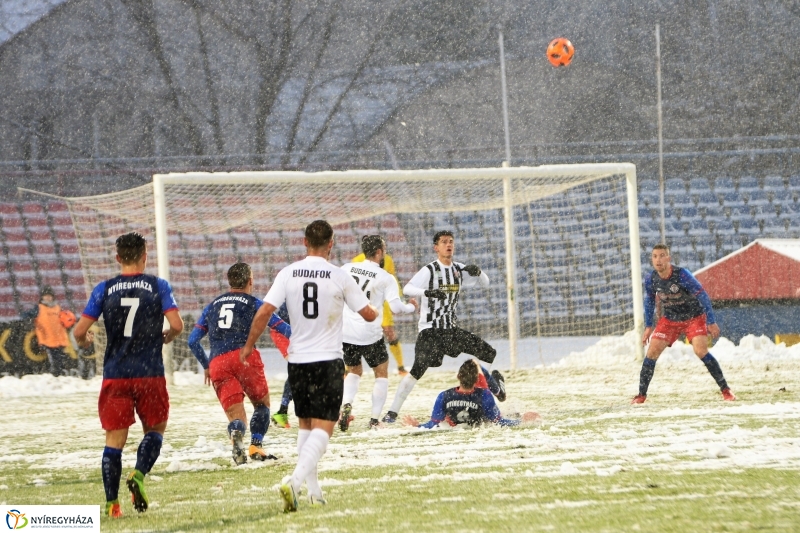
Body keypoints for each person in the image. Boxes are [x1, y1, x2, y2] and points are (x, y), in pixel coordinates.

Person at [239, 220, 378, 512]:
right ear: (331, 243)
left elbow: (265, 310)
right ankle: (294, 481)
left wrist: (249, 345)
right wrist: (375, 308)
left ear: (304, 242)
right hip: (327, 360)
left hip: (298, 360)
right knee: (324, 428)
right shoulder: (339, 276)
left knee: (305, 425)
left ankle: (313, 491)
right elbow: (367, 314)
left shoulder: (288, 273)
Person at [73, 232, 184, 518]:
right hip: (149, 373)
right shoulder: (158, 285)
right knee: (155, 431)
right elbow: (177, 324)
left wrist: (85, 342)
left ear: (118, 257)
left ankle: (112, 504)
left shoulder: (104, 289)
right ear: (145, 256)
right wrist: (169, 334)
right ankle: (138, 473)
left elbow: (79, 332)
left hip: (116, 374)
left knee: (114, 442)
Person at [382, 230, 505, 423]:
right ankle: (392, 413)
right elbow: (407, 289)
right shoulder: (430, 270)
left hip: (450, 331)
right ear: (436, 247)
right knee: (417, 370)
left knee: (488, 352)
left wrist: (479, 273)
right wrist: (428, 293)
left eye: (451, 242)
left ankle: (489, 393)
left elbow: (486, 283)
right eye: (444, 242)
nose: (448, 245)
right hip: (430, 331)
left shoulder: (458, 269)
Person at [187, 262, 291, 464]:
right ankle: (256, 445)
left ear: (229, 281)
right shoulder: (254, 303)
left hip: (218, 362)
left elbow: (192, 340)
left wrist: (206, 364)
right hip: (245, 357)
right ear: (250, 281)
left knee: (237, 418)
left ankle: (236, 434)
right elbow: (283, 328)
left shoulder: (213, 306)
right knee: (262, 405)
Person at [633, 244, 735, 404]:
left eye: (661, 256)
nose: (658, 260)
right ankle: (641, 395)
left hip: (693, 317)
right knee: (652, 352)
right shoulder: (651, 279)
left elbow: (703, 296)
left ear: (668, 258)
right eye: (654, 256)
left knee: (700, 351)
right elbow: (649, 301)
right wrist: (648, 327)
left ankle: (726, 390)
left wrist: (711, 321)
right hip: (670, 319)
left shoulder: (682, 275)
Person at [339, 235, 418, 431]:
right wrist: (411, 307)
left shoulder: (346, 268)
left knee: (353, 371)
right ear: (379, 252)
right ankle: (374, 420)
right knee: (381, 373)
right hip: (370, 333)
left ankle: (346, 404)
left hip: (346, 333)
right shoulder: (385, 277)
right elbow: (396, 308)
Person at [402, 359, 537, 429]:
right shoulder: (484, 395)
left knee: (473, 363)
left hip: (459, 418)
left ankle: (499, 392)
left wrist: (417, 425)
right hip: (483, 410)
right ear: (477, 380)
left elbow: (432, 424)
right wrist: (522, 420)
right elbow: (499, 422)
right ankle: (499, 392)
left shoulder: (444, 396)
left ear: (457, 376)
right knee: (474, 362)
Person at [351, 249, 408, 375]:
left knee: (389, 332)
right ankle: (349, 368)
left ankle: (401, 366)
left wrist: (396, 299)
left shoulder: (387, 259)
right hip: (363, 302)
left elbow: (392, 280)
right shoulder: (356, 261)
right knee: (355, 334)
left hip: (382, 302)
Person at [23, 286, 72, 377]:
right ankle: (55, 375)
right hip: (47, 339)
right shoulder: (39, 308)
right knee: (53, 359)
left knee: (60, 359)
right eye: (46, 296)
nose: (48, 298)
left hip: (59, 338)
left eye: (49, 296)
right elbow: (26, 315)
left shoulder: (58, 307)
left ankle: (59, 375)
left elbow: (65, 320)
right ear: (42, 297)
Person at [270, 303, 294, 429]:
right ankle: (282, 412)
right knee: (297, 368)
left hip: (296, 332)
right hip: (282, 332)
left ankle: (282, 412)